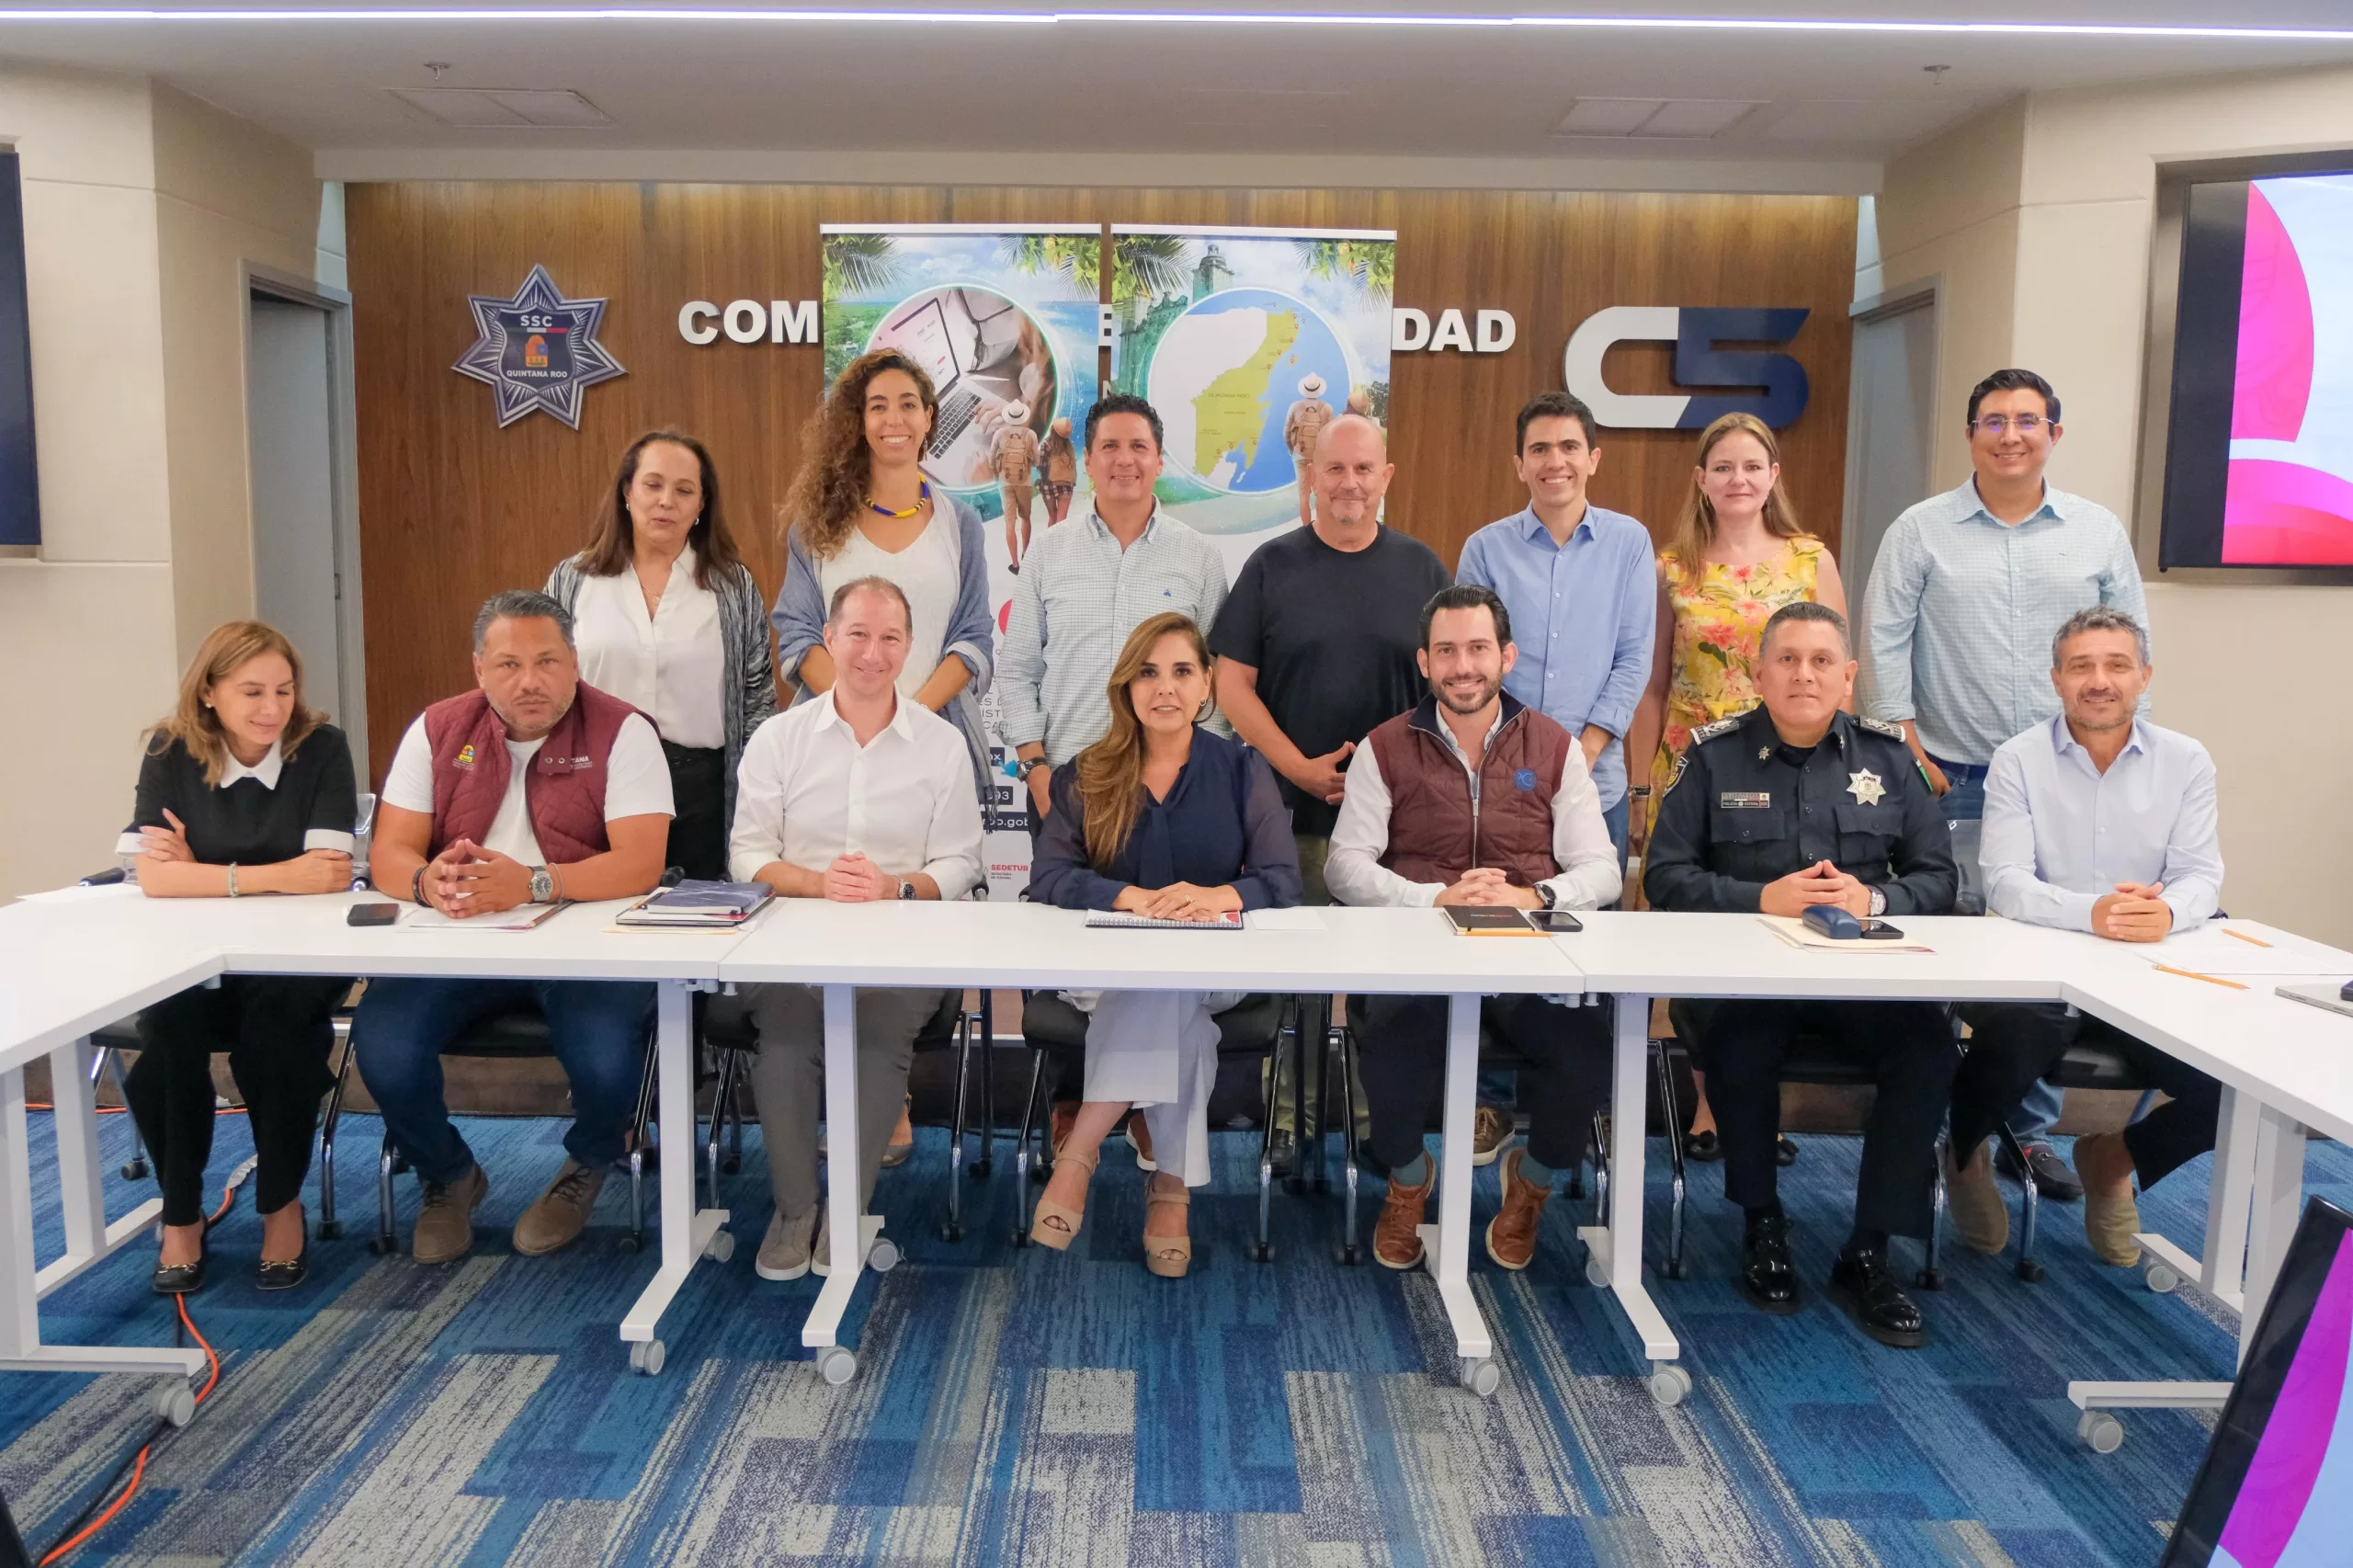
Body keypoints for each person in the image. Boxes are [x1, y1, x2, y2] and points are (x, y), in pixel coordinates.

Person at [1860, 367, 2150, 1200]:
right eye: (1993, 421)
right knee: (1945, 951)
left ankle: (2023, 1133)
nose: (2011, 435)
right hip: (1949, 773)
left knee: (2045, 954)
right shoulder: (1921, 530)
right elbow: (1884, 638)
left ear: (2053, 433)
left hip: (2066, 777)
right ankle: (1935, 1126)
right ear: (1971, 435)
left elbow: (2129, 643)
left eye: (2028, 420)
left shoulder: (2096, 532)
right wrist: (1902, 744)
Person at [1644, 601, 1959, 1347]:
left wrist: (1873, 898)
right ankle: (1762, 1223)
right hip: (1750, 981)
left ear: (1848, 677)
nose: (1804, 675)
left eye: (1821, 662)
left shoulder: (1890, 759)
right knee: (1739, 1049)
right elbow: (1664, 875)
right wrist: (1761, 898)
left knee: (1928, 1051)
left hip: (1863, 980)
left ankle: (1870, 1249)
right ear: (1759, 674)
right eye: (1787, 660)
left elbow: (1940, 879)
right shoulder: (1712, 756)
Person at [356, 590, 674, 1265]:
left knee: (606, 1058)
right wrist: (426, 882)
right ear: (479, 669)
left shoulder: (623, 730)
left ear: (574, 662)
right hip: (459, 939)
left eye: (547, 661)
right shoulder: (438, 730)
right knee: (383, 1043)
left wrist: (533, 883)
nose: (530, 681)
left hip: (585, 942)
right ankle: (448, 1174)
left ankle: (587, 1161)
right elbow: (389, 852)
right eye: (508, 665)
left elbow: (642, 863)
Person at [1325, 585, 1620, 1270]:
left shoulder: (1555, 747)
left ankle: (1532, 1183)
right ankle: (1408, 1180)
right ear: (1424, 662)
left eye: (1478, 649)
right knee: (1388, 1052)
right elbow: (1344, 865)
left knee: (1586, 1054)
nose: (1463, 667)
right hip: (1420, 954)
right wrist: (1432, 898)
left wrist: (1532, 895)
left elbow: (1602, 870)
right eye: (1447, 651)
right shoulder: (1383, 748)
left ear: (1506, 657)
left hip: (1527, 959)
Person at [1945, 608, 2224, 1267]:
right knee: (2015, 1037)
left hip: (2144, 972)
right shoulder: (2019, 759)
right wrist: (2091, 913)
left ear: (2144, 677)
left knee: (2230, 1083)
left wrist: (2169, 912)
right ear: (2057, 680)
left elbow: (2201, 875)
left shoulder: (2186, 760)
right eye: (2081, 667)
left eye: (2117, 665)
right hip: (2036, 969)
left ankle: (2113, 1159)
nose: (2099, 681)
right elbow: (2005, 882)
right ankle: (1964, 1155)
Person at [1026, 612, 1302, 1277]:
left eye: (1182, 671)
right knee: (1183, 1021)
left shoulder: (1241, 769)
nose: (1165, 688)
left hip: (1213, 966)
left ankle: (1080, 1152)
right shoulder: (1086, 773)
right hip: (1103, 969)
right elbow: (1049, 877)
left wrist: (1216, 897)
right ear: (1126, 686)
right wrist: (1130, 898)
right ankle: (1170, 1191)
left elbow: (1283, 879)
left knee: (1171, 985)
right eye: (1148, 673)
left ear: (1207, 684)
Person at [727, 576, 983, 1280]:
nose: (873, 652)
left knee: (877, 1032)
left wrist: (894, 886)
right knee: (784, 1033)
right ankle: (794, 1211)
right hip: (789, 942)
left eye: (891, 637)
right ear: (829, 639)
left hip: (902, 946)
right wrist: (818, 883)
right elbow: (747, 854)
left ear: (910, 646)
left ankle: (848, 1208)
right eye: (859, 634)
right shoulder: (778, 739)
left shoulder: (940, 745)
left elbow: (961, 860)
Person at [1212, 413, 1449, 1169]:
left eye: (1363, 469)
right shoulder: (1271, 566)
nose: (1349, 483)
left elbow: (1450, 688)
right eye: (1334, 468)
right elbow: (1230, 684)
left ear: (1386, 477)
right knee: (1298, 983)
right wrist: (1296, 767)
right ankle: (1292, 1122)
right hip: (1293, 814)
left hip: (1397, 827)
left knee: (1389, 987)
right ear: (1311, 475)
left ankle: (1383, 1127)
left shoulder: (1423, 570)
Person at [1624, 411, 1845, 1164]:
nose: (1738, 479)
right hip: (1693, 773)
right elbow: (1653, 686)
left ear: (1773, 475)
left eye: (1752, 466)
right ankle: (1709, 1104)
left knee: (1774, 934)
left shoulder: (1810, 560)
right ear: (1701, 479)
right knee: (1699, 934)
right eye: (1723, 467)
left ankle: (1755, 1103)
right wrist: (1642, 789)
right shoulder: (1671, 568)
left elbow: (1837, 676)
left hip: (1791, 773)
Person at [117, 621, 358, 1293]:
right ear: (210, 694)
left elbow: (327, 874)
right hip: (194, 953)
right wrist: (272, 875)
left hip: (296, 957)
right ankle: (181, 1214)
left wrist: (203, 869)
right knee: (167, 1038)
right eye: (252, 692)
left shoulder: (322, 748)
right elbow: (155, 877)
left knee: (277, 1036)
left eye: (284, 690)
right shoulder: (170, 751)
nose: (272, 708)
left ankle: (281, 1205)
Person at [545, 427, 776, 882]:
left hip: (700, 794)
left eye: (684, 490)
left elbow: (757, 702)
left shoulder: (732, 586)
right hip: (596, 784)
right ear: (627, 492)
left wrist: (756, 803)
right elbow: (546, 682)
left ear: (702, 504)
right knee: (597, 913)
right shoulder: (573, 579)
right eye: (653, 485)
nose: (666, 501)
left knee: (697, 917)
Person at [774, 347, 998, 799]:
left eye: (908, 404)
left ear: (928, 417)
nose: (894, 419)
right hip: (832, 749)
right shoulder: (815, 525)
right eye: (878, 407)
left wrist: (909, 722)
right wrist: (863, 719)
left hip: (932, 745)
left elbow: (973, 637)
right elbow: (799, 633)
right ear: (860, 421)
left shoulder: (961, 526)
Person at [1002, 392, 1231, 827]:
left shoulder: (1199, 557)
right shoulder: (1047, 552)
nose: (1125, 460)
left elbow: (1215, 678)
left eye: (1138, 447)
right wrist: (1038, 776)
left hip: (1171, 797)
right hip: (1064, 789)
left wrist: (1199, 780)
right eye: (1110, 446)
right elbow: (1017, 672)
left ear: (1159, 461)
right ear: (1088, 461)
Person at [1457, 392, 1655, 863]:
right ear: (1520, 465)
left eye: (1569, 447)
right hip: (1501, 782)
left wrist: (1586, 751)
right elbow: (1471, 663)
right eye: (1539, 449)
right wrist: (1511, 751)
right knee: (1495, 908)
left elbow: (1633, 657)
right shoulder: (1485, 550)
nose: (1555, 462)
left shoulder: (1629, 543)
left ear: (1593, 459)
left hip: (1596, 784)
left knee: (1596, 911)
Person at [992, 400, 1041, 573]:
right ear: (1023, 417)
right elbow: (1037, 460)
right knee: (1026, 518)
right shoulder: (1030, 435)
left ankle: (1015, 564)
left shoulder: (999, 434)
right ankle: (1025, 555)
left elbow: (992, 458)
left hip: (1005, 483)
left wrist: (996, 476)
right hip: (1024, 483)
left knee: (1010, 524)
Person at [1282, 372, 1334, 525]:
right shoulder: (1327, 408)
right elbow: (1331, 436)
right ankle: (1320, 527)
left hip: (1300, 455)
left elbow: (1286, 433)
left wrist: (1292, 450)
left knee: (1303, 497)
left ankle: (1306, 529)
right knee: (1320, 494)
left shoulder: (1294, 407)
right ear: (1319, 389)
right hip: (1319, 458)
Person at [1039, 415, 1077, 528]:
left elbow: (1042, 466)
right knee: (1061, 519)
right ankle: (1061, 539)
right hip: (1066, 485)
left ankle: (1051, 539)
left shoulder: (1046, 444)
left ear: (1053, 430)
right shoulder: (1069, 447)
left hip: (1048, 485)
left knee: (1052, 517)